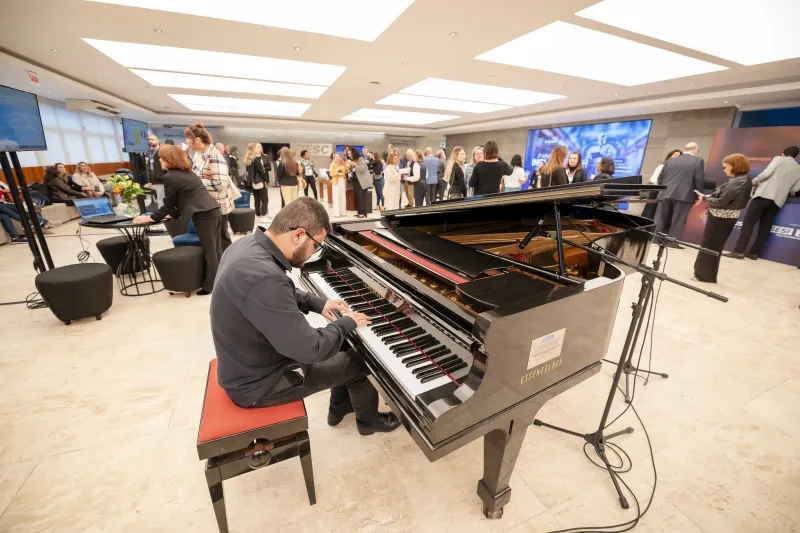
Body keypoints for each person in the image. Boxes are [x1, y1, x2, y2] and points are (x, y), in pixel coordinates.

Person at [210, 197, 401, 434]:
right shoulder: (263, 277)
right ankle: (368, 421)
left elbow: (277, 293)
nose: (313, 254)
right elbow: (310, 349)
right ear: (298, 235)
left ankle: (339, 408)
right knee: (364, 360)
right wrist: (345, 324)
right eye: (316, 246)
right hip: (260, 384)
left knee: (344, 347)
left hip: (250, 360)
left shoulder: (247, 246)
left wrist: (317, 303)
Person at [133, 144, 222, 294]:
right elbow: (183, 200)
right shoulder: (187, 173)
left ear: (168, 159)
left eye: (161, 158)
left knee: (210, 251)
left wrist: (150, 218)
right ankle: (218, 279)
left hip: (204, 214)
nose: (159, 160)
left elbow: (168, 204)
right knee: (215, 249)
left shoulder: (171, 177)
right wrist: (171, 214)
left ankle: (211, 286)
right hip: (212, 210)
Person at [727, 146, 800, 260]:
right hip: (777, 201)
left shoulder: (778, 159)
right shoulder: (798, 168)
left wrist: (753, 181)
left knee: (748, 224)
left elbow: (767, 173)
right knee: (765, 228)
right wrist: (785, 190)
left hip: (763, 195)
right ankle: (754, 253)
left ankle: (739, 252)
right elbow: (796, 188)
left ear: (783, 153)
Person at [693, 154, 752, 282]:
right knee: (712, 246)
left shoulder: (738, 181)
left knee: (710, 246)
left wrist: (704, 198)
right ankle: (705, 274)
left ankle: (703, 275)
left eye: (725, 167)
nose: (724, 169)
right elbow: (726, 197)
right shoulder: (741, 180)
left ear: (734, 166)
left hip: (721, 218)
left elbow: (722, 202)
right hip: (723, 217)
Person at [185, 123, 234, 251]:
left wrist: (197, 182)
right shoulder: (199, 154)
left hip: (217, 206)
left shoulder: (214, 156)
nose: (187, 141)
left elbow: (221, 183)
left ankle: (228, 265)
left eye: (189, 138)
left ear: (197, 139)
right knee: (216, 241)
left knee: (221, 240)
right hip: (207, 205)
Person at [653, 142, 705, 247]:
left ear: (685, 149)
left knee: (660, 217)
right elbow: (698, 180)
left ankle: (655, 240)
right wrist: (698, 195)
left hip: (665, 194)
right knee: (679, 219)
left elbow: (660, 177)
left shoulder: (670, 161)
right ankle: (672, 243)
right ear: (694, 150)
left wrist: (662, 190)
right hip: (684, 196)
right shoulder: (698, 161)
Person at [642, 150, 682, 220]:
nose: (676, 157)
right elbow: (653, 179)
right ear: (670, 156)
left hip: (666, 194)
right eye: (675, 155)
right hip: (656, 192)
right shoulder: (662, 166)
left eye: (679, 156)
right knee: (650, 212)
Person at [245, 143, 270, 223]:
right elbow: (261, 170)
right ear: (254, 149)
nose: (259, 148)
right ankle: (263, 216)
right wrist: (266, 180)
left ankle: (258, 216)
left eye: (260, 146)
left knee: (257, 199)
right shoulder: (257, 159)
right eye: (257, 147)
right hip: (260, 181)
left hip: (253, 182)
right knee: (265, 199)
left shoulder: (250, 159)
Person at [346, 146, 371, 218]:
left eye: (350, 153)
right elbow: (354, 171)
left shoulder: (360, 159)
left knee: (361, 197)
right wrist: (349, 168)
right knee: (357, 197)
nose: (349, 155)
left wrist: (355, 164)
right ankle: (359, 212)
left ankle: (363, 213)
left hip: (362, 181)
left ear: (354, 153)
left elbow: (362, 170)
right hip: (356, 181)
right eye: (348, 154)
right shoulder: (352, 160)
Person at [147, 134, 165, 202]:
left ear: (157, 141)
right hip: (155, 180)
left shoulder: (161, 152)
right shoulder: (150, 153)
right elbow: (150, 168)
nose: (150, 141)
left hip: (162, 180)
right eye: (148, 140)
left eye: (152, 139)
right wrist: (150, 181)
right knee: (158, 199)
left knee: (161, 201)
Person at [329, 152, 348, 217]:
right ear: (334, 158)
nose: (338, 158)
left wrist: (346, 168)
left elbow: (345, 172)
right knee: (336, 197)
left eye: (339, 157)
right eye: (336, 157)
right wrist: (337, 170)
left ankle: (343, 212)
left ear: (341, 157)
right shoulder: (332, 164)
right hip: (335, 182)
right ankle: (337, 213)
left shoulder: (343, 163)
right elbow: (331, 174)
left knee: (343, 196)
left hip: (342, 180)